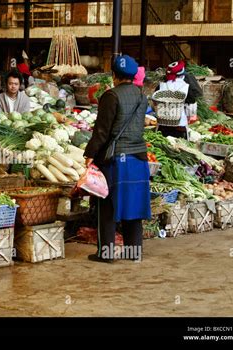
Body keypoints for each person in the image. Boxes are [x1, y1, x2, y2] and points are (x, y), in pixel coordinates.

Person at [83, 55, 151, 263]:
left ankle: (106, 253)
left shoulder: (110, 96)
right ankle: (134, 252)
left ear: (114, 75)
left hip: (116, 159)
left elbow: (102, 132)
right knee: (134, 206)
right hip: (139, 158)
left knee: (108, 206)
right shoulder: (142, 96)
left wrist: (90, 154)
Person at [156, 60, 202, 139]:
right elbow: (191, 107)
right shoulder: (186, 87)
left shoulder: (161, 86)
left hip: (163, 125)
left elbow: (155, 103)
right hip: (180, 126)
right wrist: (190, 117)